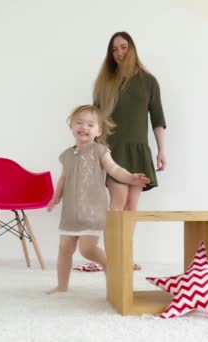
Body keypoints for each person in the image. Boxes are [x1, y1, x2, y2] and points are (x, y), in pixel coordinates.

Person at [45, 105, 150, 294]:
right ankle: (62, 286)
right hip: (70, 212)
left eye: (90, 124)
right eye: (79, 122)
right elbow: (64, 178)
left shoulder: (100, 151)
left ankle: (111, 267)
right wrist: (56, 197)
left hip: (92, 211)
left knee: (87, 249)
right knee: (64, 249)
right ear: (71, 126)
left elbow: (114, 169)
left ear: (99, 131)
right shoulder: (67, 154)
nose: (84, 127)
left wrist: (131, 177)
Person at [93, 32, 167, 267]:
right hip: (111, 150)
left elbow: (157, 119)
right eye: (114, 50)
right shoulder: (105, 82)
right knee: (118, 199)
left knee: (132, 206)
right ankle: (112, 258)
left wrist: (161, 150)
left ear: (132, 48)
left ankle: (126, 256)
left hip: (138, 151)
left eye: (123, 47)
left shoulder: (149, 81)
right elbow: (94, 119)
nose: (119, 53)